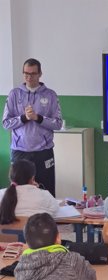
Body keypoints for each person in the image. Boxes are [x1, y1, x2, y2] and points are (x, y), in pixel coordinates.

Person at [2, 58, 63, 197]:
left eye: (33, 74)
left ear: (40, 74)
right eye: (26, 74)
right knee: (19, 194)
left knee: (46, 192)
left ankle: (47, 218)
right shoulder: (14, 94)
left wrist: (38, 118)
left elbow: (58, 123)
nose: (29, 77)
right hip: (20, 152)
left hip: (43, 152)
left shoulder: (50, 95)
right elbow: (5, 123)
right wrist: (24, 118)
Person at [0, 159, 59, 224]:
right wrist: (36, 189)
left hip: (5, 234)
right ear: (32, 178)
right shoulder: (44, 195)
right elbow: (55, 211)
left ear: (10, 177)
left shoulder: (1, 194)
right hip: (35, 233)